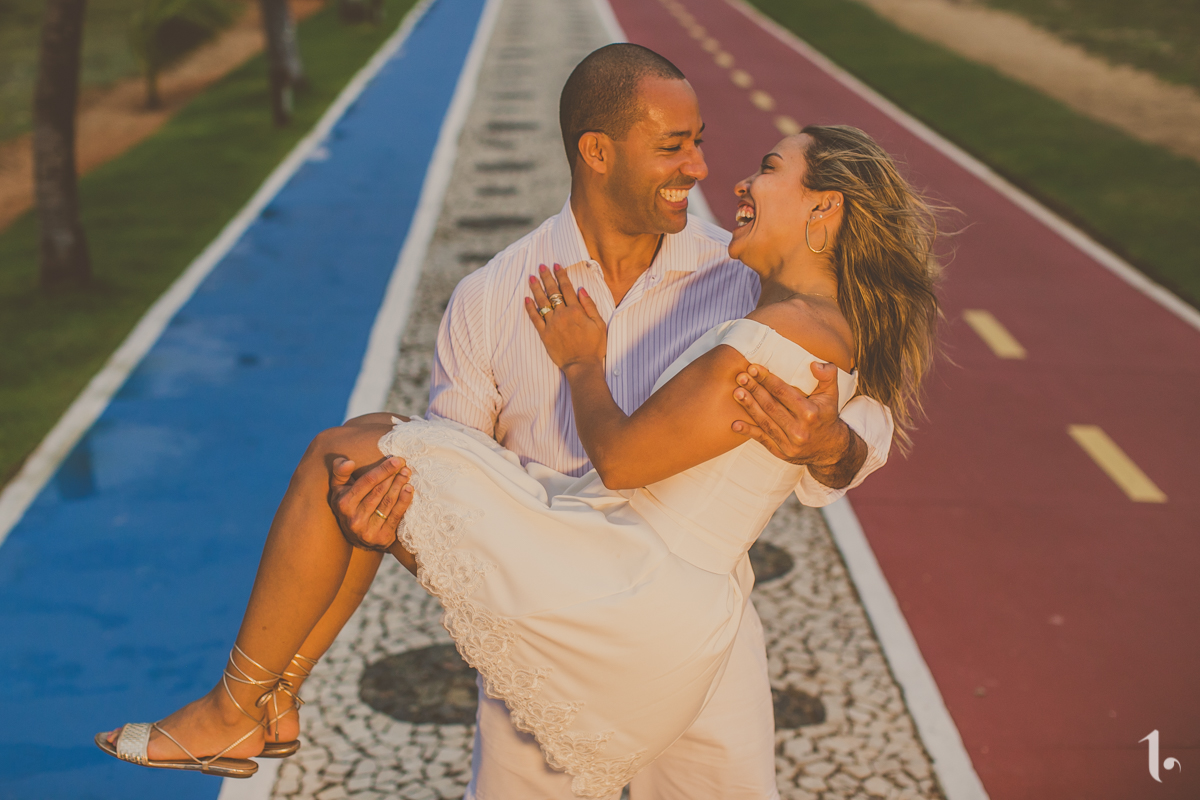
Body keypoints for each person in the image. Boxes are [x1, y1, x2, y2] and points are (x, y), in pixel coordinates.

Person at [96, 47, 923, 799]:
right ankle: (264, 699)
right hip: (559, 612)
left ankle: (245, 701)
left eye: (700, 142)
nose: (703, 168)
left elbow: (859, 412)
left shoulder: (742, 274)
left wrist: (832, 445)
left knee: (350, 450)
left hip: (697, 638)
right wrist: (380, 512)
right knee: (367, 463)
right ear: (598, 152)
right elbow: (450, 457)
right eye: (674, 146)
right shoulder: (492, 298)